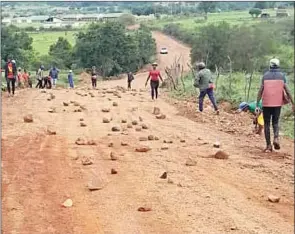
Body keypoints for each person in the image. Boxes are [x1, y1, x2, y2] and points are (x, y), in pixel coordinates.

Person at [256, 58, 294, 152]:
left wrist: (257, 104)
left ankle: (268, 145)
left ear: (270, 65)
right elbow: (287, 90)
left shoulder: (265, 76)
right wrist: (293, 103)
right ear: (278, 65)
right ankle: (276, 138)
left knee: (267, 123)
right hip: (277, 104)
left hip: (266, 103)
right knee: (275, 122)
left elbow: (260, 91)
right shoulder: (282, 76)